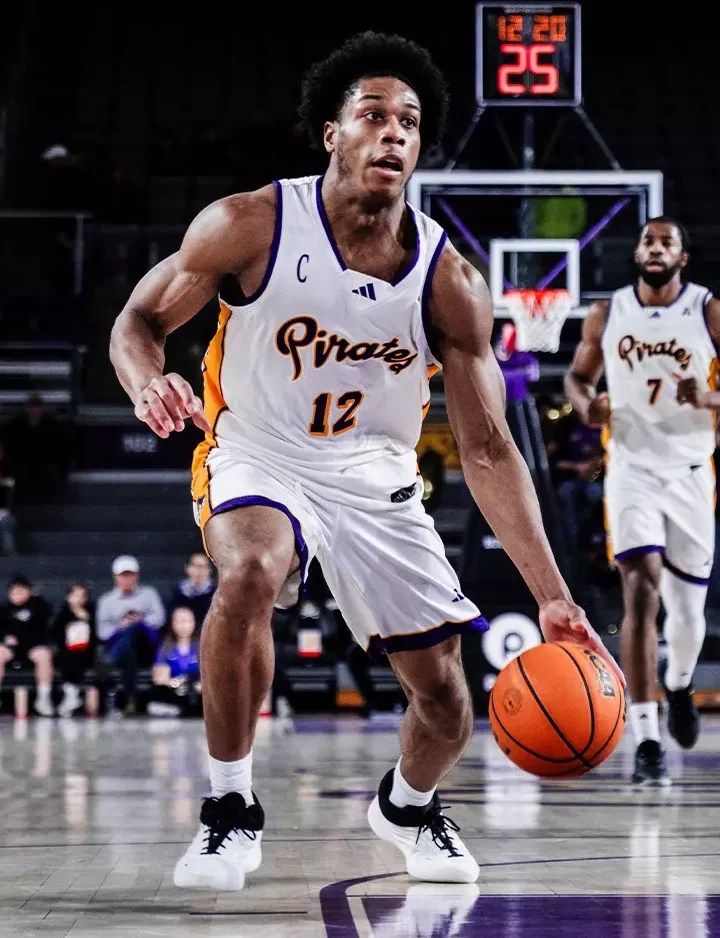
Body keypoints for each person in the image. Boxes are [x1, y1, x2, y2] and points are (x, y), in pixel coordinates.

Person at [109, 30, 624, 892]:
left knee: (447, 704)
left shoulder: (450, 281)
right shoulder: (252, 224)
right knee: (251, 571)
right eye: (373, 115)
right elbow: (139, 320)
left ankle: (408, 808)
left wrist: (553, 596)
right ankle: (230, 808)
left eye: (410, 122)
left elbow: (488, 448)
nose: (393, 132)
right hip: (259, 449)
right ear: (332, 133)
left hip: (375, 477)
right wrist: (145, 380)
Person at [564, 216, 718, 786]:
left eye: (666, 242)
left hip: (691, 471)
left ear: (682, 256)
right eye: (648, 241)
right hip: (631, 470)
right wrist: (587, 405)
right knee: (640, 590)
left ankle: (679, 684)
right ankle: (646, 736)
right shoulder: (608, 313)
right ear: (637, 254)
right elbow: (578, 379)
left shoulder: (707, 310)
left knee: (688, 612)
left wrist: (711, 397)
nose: (656, 248)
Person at [96, 554, 166, 714]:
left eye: (131, 575)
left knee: (134, 628)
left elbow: (159, 618)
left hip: (145, 644)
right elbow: (102, 631)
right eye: (123, 575)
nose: (127, 579)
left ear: (137, 575)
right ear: (116, 577)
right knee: (127, 650)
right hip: (123, 648)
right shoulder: (107, 600)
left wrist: (140, 620)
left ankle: (109, 661)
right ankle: (130, 699)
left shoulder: (149, 594)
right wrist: (120, 627)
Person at [0, 575, 54, 716]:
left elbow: (48, 614)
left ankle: (43, 698)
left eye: (21, 591)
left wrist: (35, 599)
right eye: (14, 591)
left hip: (33, 646)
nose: (17, 594)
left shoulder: (38, 606)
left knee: (44, 655)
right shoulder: (4, 609)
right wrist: (5, 637)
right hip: (12, 648)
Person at [147, 606, 202, 718]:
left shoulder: (201, 646)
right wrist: (175, 683)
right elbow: (160, 678)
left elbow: (209, 676)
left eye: (187, 621)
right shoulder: (165, 647)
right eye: (180, 621)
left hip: (196, 690)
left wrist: (198, 686)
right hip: (173, 689)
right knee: (156, 695)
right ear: (173, 624)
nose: (184, 626)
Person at [51, 582, 96, 718]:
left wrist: (87, 620)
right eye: (75, 595)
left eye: (82, 596)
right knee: (66, 656)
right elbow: (55, 634)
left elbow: (97, 635)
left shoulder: (91, 611)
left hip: (86, 652)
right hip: (66, 651)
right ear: (69, 597)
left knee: (76, 656)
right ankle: (71, 694)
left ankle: (71, 695)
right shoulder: (63, 614)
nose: (78, 599)